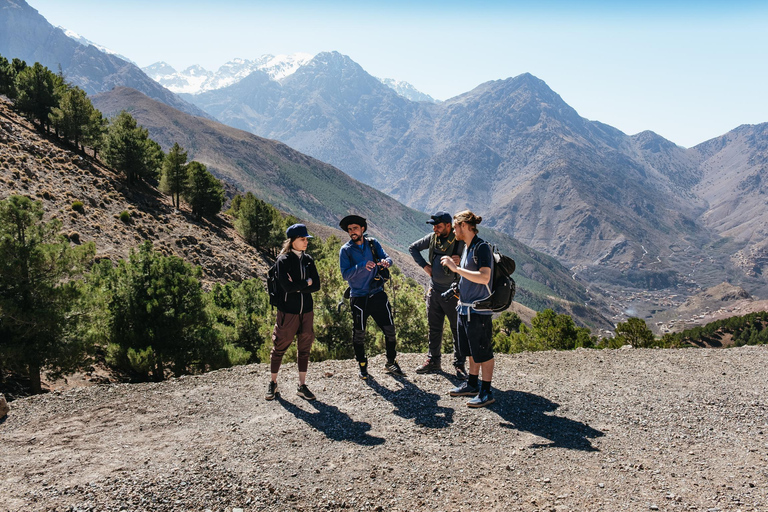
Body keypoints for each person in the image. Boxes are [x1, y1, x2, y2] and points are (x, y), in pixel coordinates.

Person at [440, 210, 496, 407]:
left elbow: (484, 277)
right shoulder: (467, 247)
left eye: (455, 226)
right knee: (471, 351)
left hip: (479, 311)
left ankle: (487, 391)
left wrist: (455, 269)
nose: (453, 230)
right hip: (465, 309)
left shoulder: (481, 248)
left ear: (464, 225)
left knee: (483, 352)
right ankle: (472, 384)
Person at [338, 214, 405, 379]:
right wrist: (362, 266)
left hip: (377, 293)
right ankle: (362, 366)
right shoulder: (345, 250)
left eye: (355, 228)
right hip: (358, 297)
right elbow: (345, 275)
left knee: (390, 330)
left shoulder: (373, 244)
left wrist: (386, 263)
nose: (352, 232)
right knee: (359, 333)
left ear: (362, 229)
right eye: (349, 229)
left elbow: (387, 258)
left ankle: (391, 362)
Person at [408, 211, 467, 379]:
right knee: (434, 328)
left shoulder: (459, 241)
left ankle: (459, 365)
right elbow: (413, 248)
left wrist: (460, 261)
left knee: (457, 330)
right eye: (433, 226)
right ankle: (433, 360)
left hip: (453, 293)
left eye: (438, 226)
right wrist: (425, 267)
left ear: (449, 226)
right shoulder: (432, 238)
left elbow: (472, 261)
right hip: (434, 291)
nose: (435, 229)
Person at [266, 223, 321, 401]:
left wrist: (299, 286)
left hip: (307, 311)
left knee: (304, 348)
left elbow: (317, 285)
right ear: (292, 241)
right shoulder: (283, 260)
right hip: (288, 311)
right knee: (280, 346)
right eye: (302, 239)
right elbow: (287, 287)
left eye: (306, 239)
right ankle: (273, 383)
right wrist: (306, 283)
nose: (306, 242)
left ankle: (302, 386)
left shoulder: (308, 259)